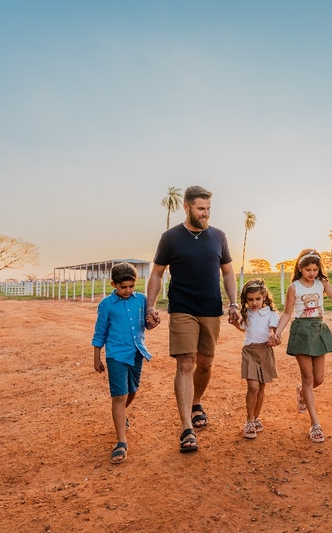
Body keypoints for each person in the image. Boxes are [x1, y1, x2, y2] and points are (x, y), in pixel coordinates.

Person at [145, 185, 240, 453]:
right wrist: (149, 306)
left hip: (210, 308)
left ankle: (196, 401)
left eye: (209, 209)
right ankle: (186, 426)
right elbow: (156, 273)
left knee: (206, 363)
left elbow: (228, 272)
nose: (206, 214)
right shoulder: (170, 238)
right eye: (201, 209)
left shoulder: (218, 236)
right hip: (182, 307)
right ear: (186, 207)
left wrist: (233, 303)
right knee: (186, 362)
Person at [274, 249, 332, 444]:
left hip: (319, 329)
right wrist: (278, 332)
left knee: (318, 379)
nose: (312, 273)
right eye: (308, 269)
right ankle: (315, 425)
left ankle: (301, 391)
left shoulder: (321, 284)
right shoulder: (294, 287)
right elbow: (287, 313)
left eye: (315, 269)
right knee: (308, 376)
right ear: (300, 269)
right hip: (302, 330)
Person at [92, 263, 156, 464]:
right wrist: (97, 357)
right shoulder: (106, 305)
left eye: (131, 286)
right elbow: (100, 332)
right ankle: (121, 441)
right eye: (123, 287)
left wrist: (153, 322)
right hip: (116, 355)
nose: (128, 291)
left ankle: (121, 414)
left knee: (132, 391)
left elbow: (146, 324)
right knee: (119, 397)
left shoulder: (142, 300)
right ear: (114, 284)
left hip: (136, 353)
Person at [230, 279, 279, 440]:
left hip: (265, 351)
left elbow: (277, 333)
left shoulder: (271, 314)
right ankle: (249, 420)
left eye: (257, 299)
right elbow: (243, 328)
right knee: (253, 386)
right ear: (246, 300)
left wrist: (275, 337)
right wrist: (235, 323)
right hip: (249, 351)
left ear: (264, 296)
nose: (254, 303)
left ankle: (256, 417)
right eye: (250, 300)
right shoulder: (246, 313)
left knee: (261, 387)